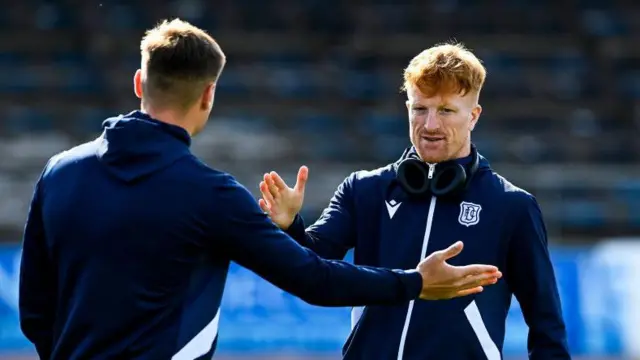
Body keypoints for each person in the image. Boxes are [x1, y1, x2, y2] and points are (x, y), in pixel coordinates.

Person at [17, 20, 502, 360]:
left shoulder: (59, 173)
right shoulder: (210, 196)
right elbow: (314, 280)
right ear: (209, 95)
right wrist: (415, 283)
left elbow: (35, 311)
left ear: (140, 81)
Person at [259, 43, 571, 359]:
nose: (430, 125)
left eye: (446, 110)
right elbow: (311, 267)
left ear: (473, 116)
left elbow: (547, 327)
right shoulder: (364, 189)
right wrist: (289, 226)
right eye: (419, 109)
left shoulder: (513, 206)